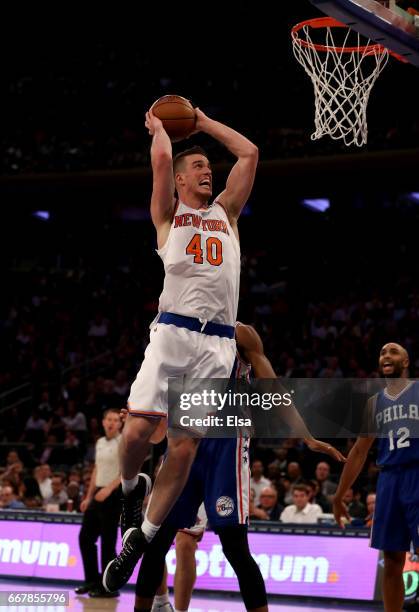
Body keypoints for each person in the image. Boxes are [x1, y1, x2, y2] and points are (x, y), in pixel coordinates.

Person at [103, 105, 259, 593]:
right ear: (182, 182)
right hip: (172, 333)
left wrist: (207, 121)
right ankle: (132, 494)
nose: (207, 170)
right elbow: (161, 164)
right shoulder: (169, 215)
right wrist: (159, 127)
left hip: (216, 344)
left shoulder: (227, 214)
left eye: (209, 168)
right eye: (198, 167)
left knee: (184, 447)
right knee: (134, 434)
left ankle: (138, 542)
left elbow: (250, 153)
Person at [133, 323, 345, 611]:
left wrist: (305, 435)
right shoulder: (180, 331)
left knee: (234, 547)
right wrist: (141, 415)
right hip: (184, 438)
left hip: (225, 444)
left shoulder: (241, 333)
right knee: (156, 541)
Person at [333, 343, 419, 612]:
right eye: (382, 352)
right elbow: (359, 451)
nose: (386, 355)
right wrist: (338, 496)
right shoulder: (375, 403)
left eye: (393, 351)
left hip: (417, 474)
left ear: (405, 361)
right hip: (389, 480)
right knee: (392, 558)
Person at [76, 408, 137, 598]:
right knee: (85, 538)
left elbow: (128, 470)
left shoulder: (124, 441)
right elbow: (96, 469)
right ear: (102, 422)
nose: (111, 423)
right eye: (108, 419)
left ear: (120, 423)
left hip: (114, 494)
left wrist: (109, 489)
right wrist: (88, 496)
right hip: (98, 494)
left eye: (114, 420)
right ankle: (91, 580)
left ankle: (108, 587)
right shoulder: (100, 442)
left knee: (108, 543)